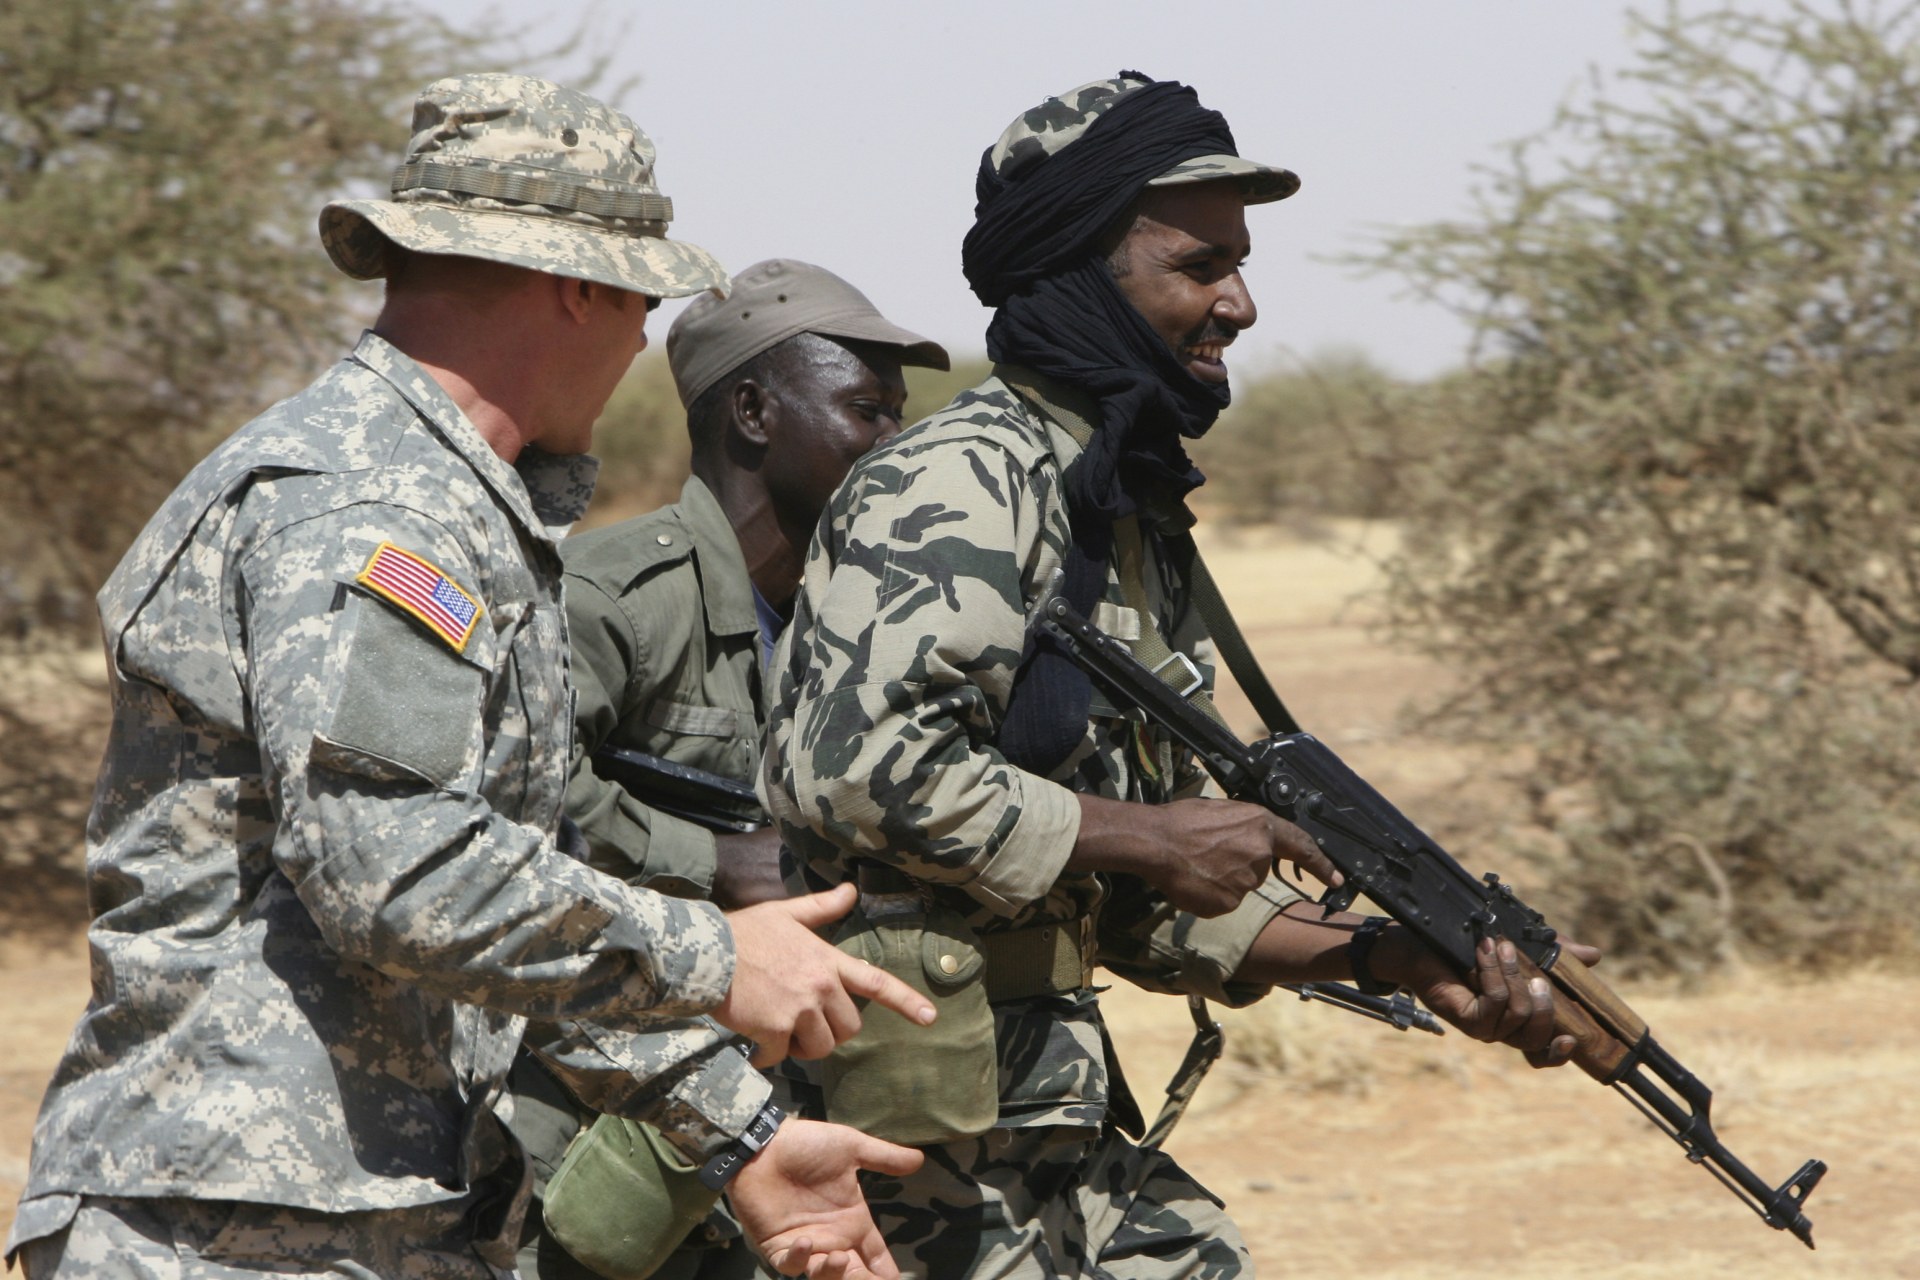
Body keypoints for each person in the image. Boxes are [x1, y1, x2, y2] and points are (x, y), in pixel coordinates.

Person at [4, 74, 932, 1280]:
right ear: (577, 284)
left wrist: (740, 1131)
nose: (641, 341)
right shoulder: (373, 505)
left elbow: (480, 914)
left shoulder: (453, 505)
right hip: (239, 1231)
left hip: (359, 1220)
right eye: (639, 300)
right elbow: (393, 869)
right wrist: (715, 956)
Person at [763, 72, 1598, 1279]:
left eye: (1238, 265)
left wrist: (1388, 956)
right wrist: (1152, 838)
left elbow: (1149, 892)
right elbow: (848, 770)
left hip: (1037, 1109)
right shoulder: (956, 484)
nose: (1241, 303)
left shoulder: (1117, 506)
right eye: (1200, 267)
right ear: (1084, 270)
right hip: (894, 1131)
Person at [514, 259, 949, 1279]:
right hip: (600, 1121)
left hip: (786, 1122)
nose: (895, 445)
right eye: (866, 410)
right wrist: (712, 859)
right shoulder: (610, 596)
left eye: (901, 414)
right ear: (754, 410)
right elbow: (512, 798)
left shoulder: (857, 622)